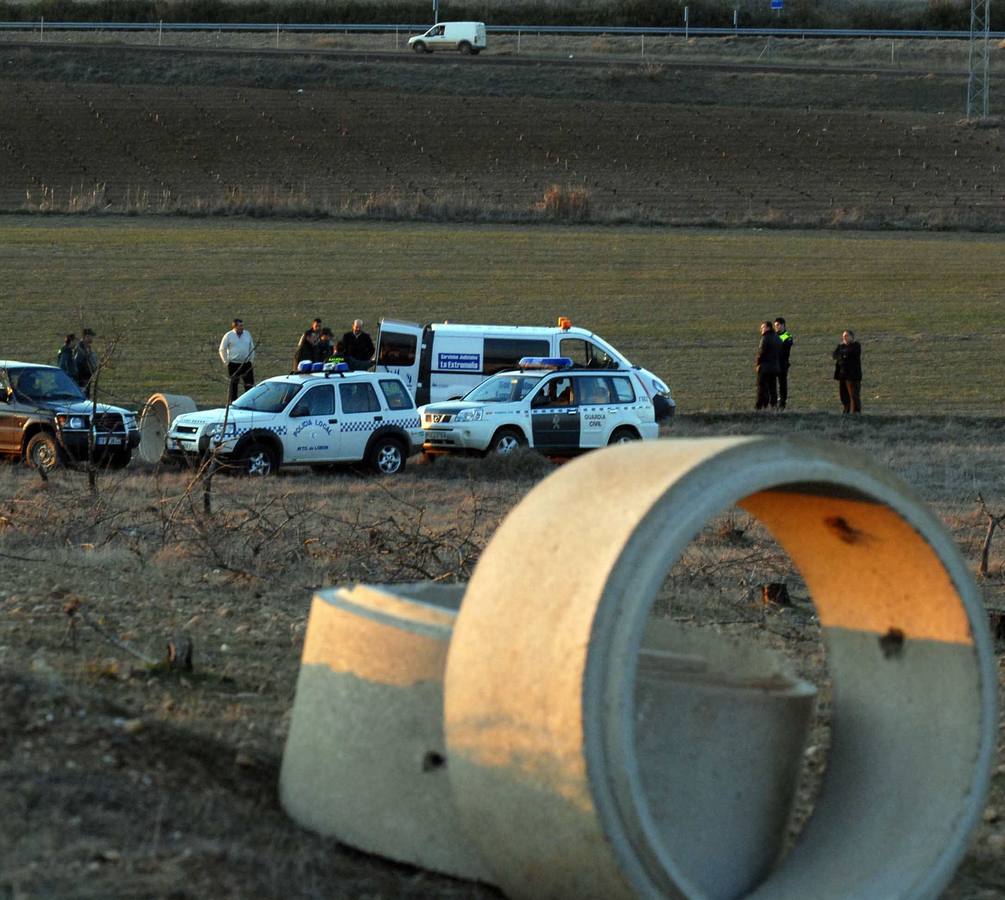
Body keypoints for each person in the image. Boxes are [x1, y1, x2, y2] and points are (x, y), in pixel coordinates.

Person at [218, 318, 256, 403]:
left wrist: (251, 359)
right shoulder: (228, 335)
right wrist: (225, 361)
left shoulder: (247, 334)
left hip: (246, 364)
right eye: (240, 325)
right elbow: (222, 349)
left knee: (249, 385)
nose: (242, 327)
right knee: (233, 385)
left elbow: (252, 347)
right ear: (235, 326)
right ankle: (233, 403)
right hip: (233, 364)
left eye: (242, 325)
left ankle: (250, 402)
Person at [832, 329, 862, 414]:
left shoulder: (856, 345)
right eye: (843, 336)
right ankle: (846, 411)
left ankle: (856, 412)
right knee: (843, 395)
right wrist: (842, 355)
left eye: (846, 335)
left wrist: (843, 354)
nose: (844, 337)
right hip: (842, 375)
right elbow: (835, 355)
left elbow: (850, 353)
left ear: (852, 337)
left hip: (852, 375)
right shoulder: (840, 346)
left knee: (853, 395)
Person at [754, 320, 782, 410]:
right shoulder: (777, 338)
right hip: (775, 367)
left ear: (767, 328)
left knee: (761, 388)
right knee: (773, 388)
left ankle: (759, 406)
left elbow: (761, 353)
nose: (761, 329)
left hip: (764, 368)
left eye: (762, 327)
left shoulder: (765, 338)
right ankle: (773, 406)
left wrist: (758, 364)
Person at [773, 317, 793, 410]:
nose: (776, 327)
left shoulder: (787, 336)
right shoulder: (774, 335)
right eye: (775, 325)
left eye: (777, 325)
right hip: (773, 363)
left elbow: (784, 348)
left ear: (783, 325)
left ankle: (782, 402)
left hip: (782, 363)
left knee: (782, 383)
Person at [74, 328, 98, 398]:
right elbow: (77, 364)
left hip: (87, 378)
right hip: (81, 379)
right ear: (86, 337)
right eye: (91, 336)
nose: (92, 338)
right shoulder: (79, 349)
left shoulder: (87, 348)